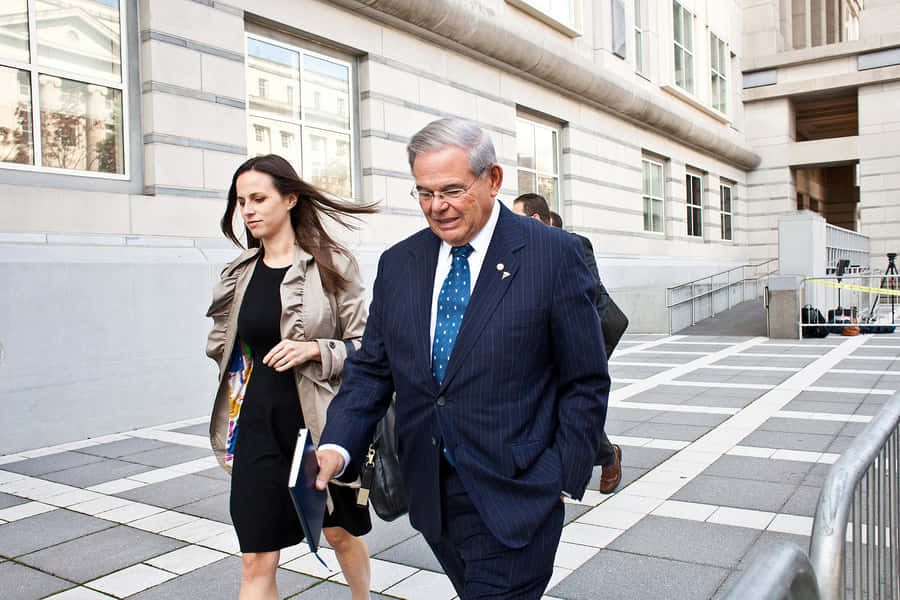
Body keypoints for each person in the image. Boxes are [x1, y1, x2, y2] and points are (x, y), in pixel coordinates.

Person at [315, 118, 610, 599]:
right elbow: (373, 369)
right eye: (424, 192)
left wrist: (560, 474)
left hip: (518, 493)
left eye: (452, 190)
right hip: (432, 495)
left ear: (492, 179)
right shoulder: (400, 263)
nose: (438, 207)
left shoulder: (553, 255)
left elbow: (586, 379)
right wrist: (337, 445)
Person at [205, 154, 375, 600]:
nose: (249, 211)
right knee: (255, 557)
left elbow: (368, 348)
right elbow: (230, 349)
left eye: (259, 199)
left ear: (290, 199)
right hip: (259, 426)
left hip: (321, 424)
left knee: (339, 534)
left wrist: (315, 348)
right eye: (241, 202)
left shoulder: (333, 265)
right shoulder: (240, 272)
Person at [514, 195, 622, 493]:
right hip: (539, 341)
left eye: (517, 216)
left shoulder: (574, 244)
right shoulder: (522, 251)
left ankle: (604, 455)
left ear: (534, 219)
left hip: (578, 339)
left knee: (568, 399)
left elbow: (587, 295)